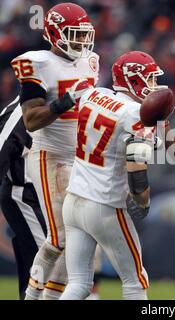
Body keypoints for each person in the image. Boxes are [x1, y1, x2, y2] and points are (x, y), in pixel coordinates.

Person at [60, 51, 166, 300]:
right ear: (134, 81)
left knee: (78, 284)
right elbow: (138, 160)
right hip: (104, 205)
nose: (153, 85)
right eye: (149, 79)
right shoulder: (132, 114)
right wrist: (142, 199)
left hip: (73, 200)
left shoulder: (92, 94)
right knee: (135, 282)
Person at [10, 2, 99, 300]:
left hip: (81, 158)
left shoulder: (91, 61)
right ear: (53, 33)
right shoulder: (37, 62)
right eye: (73, 34)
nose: (81, 41)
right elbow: (31, 120)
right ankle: (33, 296)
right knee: (60, 237)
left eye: (83, 34)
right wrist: (66, 100)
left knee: (83, 237)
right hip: (49, 156)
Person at [0, 97, 46, 299]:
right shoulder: (18, 112)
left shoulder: (63, 106)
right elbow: (2, 152)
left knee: (38, 268)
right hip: (25, 195)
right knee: (48, 265)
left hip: (51, 195)